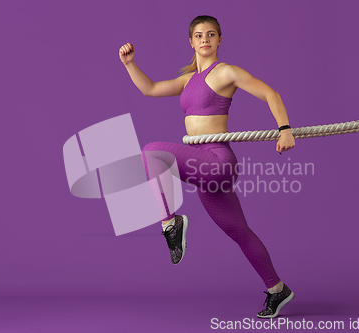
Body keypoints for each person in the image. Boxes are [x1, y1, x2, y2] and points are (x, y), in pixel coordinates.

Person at [119, 15, 295, 319]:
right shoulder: (188, 80)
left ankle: (170, 223)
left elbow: (270, 94)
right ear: (191, 42)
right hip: (201, 168)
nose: (205, 39)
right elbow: (149, 89)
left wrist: (285, 128)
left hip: (217, 160)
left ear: (219, 40)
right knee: (239, 232)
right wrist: (130, 64)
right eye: (199, 35)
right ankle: (277, 290)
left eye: (211, 34)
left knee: (152, 152)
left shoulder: (225, 72)